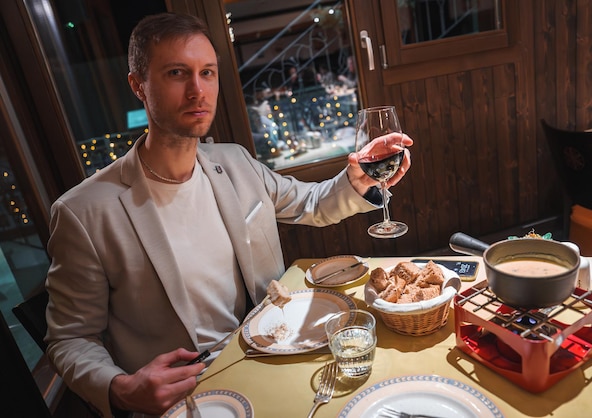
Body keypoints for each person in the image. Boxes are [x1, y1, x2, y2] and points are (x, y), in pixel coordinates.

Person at [44, 12, 412, 418]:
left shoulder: (234, 162)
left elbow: (312, 204)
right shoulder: (84, 212)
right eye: (176, 73)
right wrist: (123, 388)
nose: (197, 91)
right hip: (193, 397)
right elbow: (70, 339)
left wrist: (357, 177)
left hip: (276, 356)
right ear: (138, 86)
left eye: (207, 73)